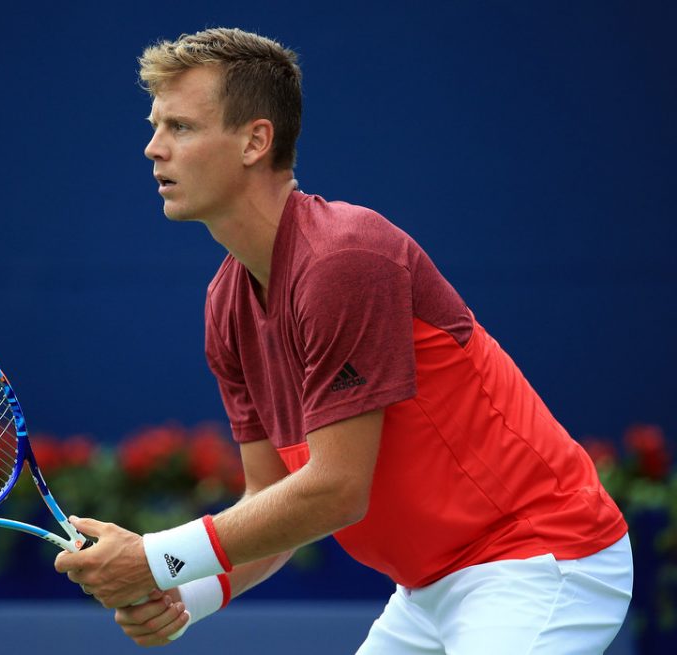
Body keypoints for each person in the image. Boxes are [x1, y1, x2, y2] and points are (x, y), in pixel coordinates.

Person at [55, 27, 633, 653]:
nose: (153, 148)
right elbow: (270, 499)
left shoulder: (344, 259)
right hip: (428, 590)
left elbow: (336, 491)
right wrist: (186, 595)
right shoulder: (226, 303)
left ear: (255, 141)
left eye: (181, 127)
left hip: (540, 558)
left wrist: (155, 557)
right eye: (156, 126)